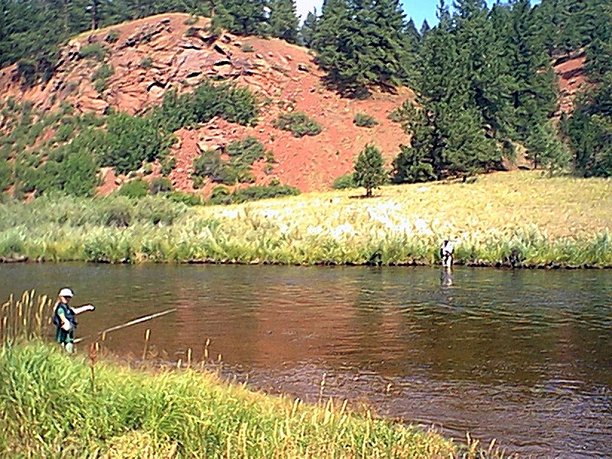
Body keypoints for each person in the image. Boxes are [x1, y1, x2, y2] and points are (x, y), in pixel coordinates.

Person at [52, 288, 95, 353]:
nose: (67, 298)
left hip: (69, 336)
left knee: (69, 349)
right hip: (62, 337)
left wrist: (87, 307)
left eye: (69, 297)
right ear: (60, 297)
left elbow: (74, 311)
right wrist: (66, 323)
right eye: (65, 297)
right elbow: (62, 317)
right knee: (65, 351)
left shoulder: (67, 307)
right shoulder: (60, 309)